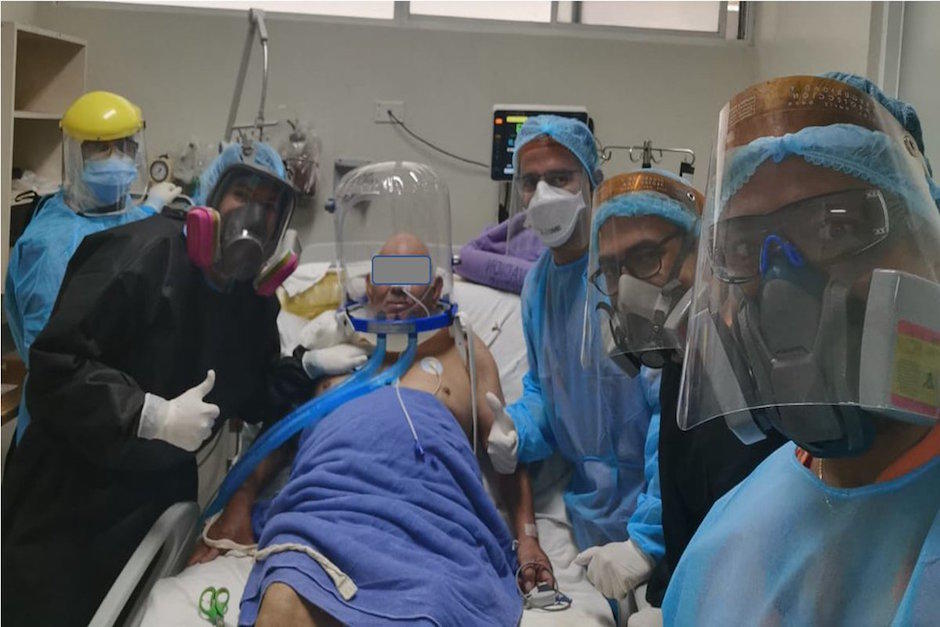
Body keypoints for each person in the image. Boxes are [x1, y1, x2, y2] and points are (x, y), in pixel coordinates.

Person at [192, 162, 555, 625]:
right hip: (327, 512)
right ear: (367, 284)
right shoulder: (328, 349)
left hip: (429, 522)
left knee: (430, 607)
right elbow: (278, 435)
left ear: (437, 286)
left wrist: (527, 537)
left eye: (412, 272)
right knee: (282, 601)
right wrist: (241, 502)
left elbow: (506, 454)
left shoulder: (464, 348)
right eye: (388, 272)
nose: (400, 286)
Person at [663, 74, 940, 624]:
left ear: (928, 253)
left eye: (836, 228)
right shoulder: (726, 539)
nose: (781, 286)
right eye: (744, 246)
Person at [1, 152, 311, 626]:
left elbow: (253, 391)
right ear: (211, 198)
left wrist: (308, 365)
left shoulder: (251, 299)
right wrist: (147, 414)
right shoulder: (139, 253)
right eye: (242, 195)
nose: (253, 214)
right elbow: (54, 368)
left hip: (156, 498)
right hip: (68, 498)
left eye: (269, 206)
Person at [582, 169, 786, 623]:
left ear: (704, 250)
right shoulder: (680, 364)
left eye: (646, 256)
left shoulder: (760, 369)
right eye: (611, 270)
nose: (625, 287)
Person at [483, 116, 663, 604]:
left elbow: (669, 414)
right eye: (530, 181)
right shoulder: (537, 287)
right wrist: (518, 430)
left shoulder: (630, 274)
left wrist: (649, 539)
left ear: (591, 182)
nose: (543, 194)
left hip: (660, 510)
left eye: (560, 177)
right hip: (587, 515)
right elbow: (547, 394)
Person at [3, 90, 181, 443]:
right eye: (100, 148)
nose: (115, 159)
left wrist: (152, 207)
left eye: (124, 146)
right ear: (75, 155)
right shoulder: (50, 245)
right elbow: (50, 359)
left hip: (120, 410)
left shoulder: (125, 216)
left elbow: (123, 232)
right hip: (64, 422)